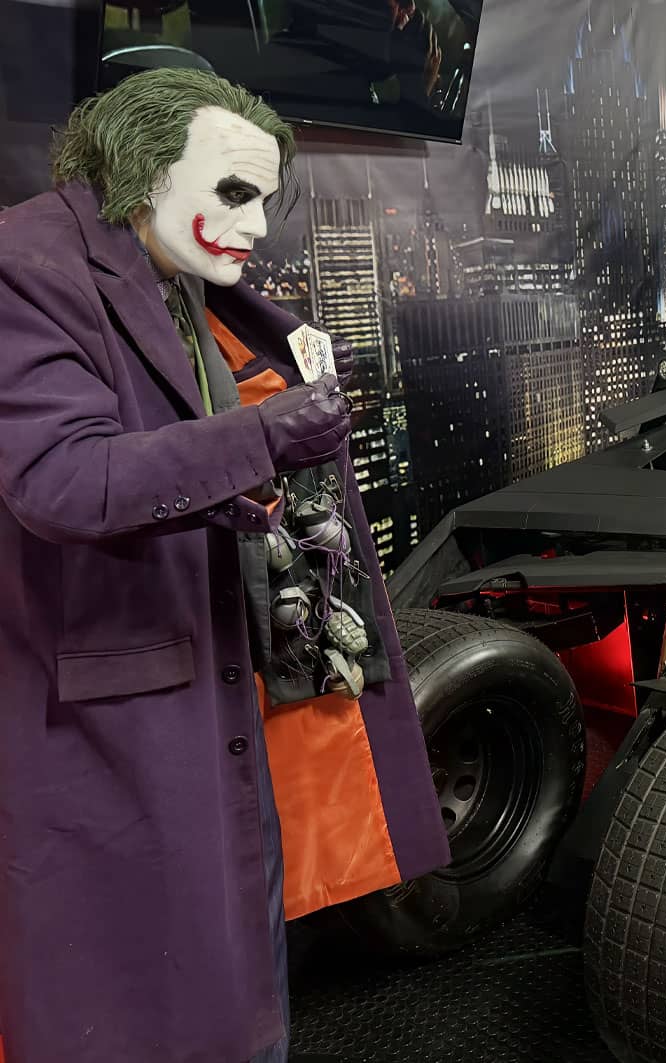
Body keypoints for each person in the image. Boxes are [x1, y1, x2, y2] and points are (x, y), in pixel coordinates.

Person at [0, 68, 448, 1063]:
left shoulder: (177, 273)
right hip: (112, 723)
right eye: (234, 192)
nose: (254, 226)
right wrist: (267, 434)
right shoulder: (26, 264)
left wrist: (278, 396)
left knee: (227, 978)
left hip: (205, 693)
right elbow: (59, 478)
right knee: (133, 1003)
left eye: (264, 200)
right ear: (142, 168)